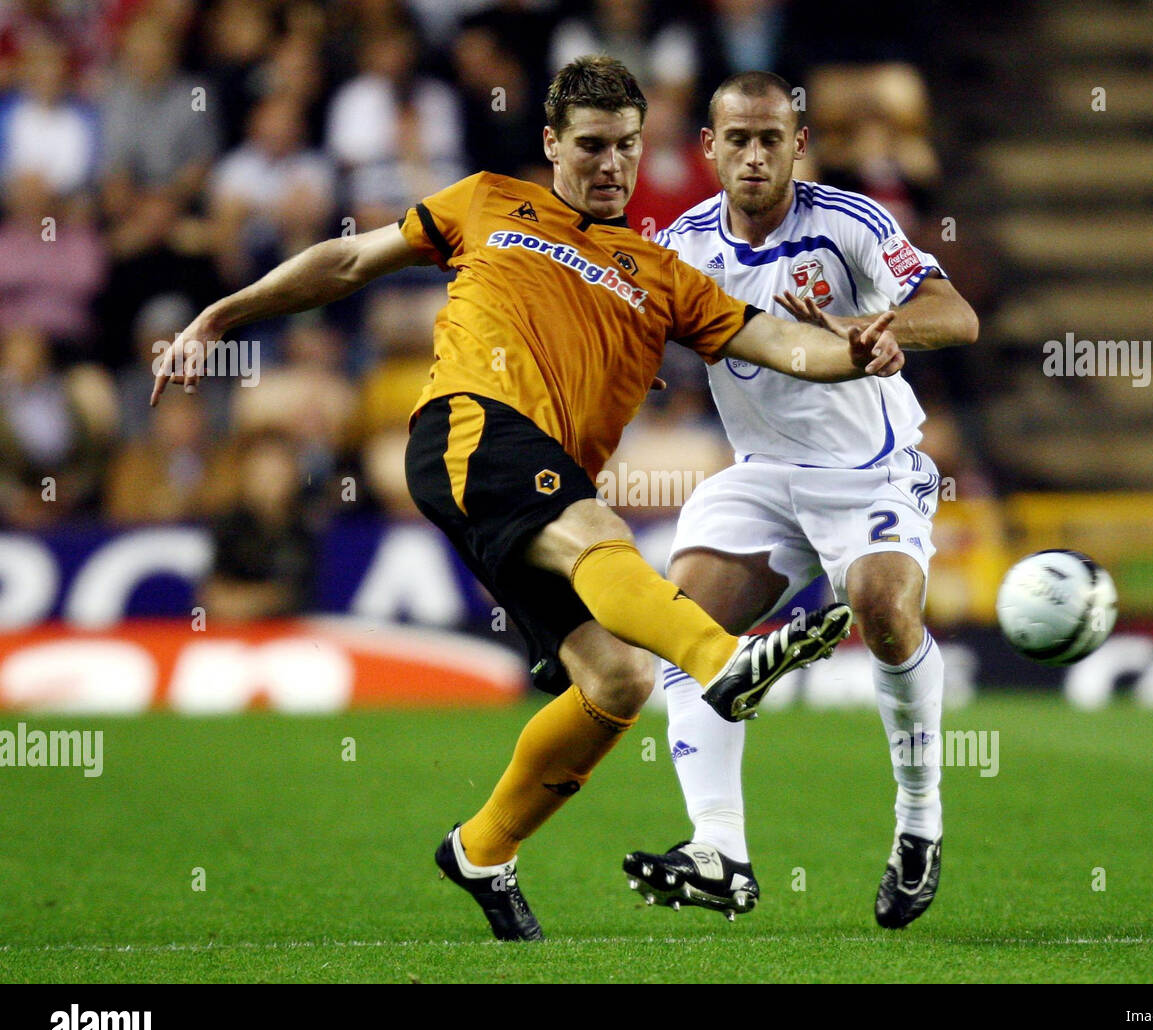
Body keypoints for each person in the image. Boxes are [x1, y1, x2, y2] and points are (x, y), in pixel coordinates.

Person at [150, 57, 902, 942]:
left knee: (617, 681)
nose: (612, 165)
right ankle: (719, 661)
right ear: (551, 143)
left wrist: (858, 349)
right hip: (472, 422)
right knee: (597, 533)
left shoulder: (663, 275)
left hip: (543, 478)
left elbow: (780, 341)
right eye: (591, 146)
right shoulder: (487, 202)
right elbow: (352, 259)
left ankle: (482, 848)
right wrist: (218, 317)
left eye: (627, 146)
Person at [624, 71, 978, 929]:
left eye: (770, 138)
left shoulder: (851, 223)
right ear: (707, 148)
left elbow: (955, 312)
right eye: (736, 139)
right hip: (762, 473)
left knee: (883, 607)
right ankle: (720, 851)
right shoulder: (680, 247)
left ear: (798, 145)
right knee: (684, 626)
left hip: (872, 467)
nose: (753, 155)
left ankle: (919, 822)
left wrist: (887, 330)